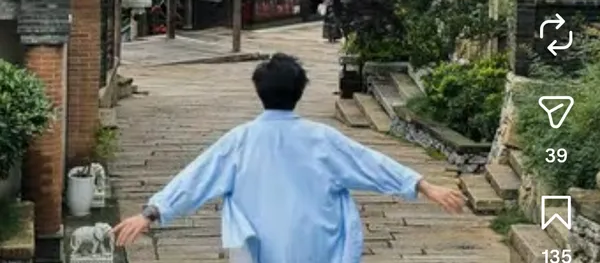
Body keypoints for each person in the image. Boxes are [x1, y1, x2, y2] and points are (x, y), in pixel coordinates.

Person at [113, 53, 465, 263]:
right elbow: (371, 164)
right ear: (299, 92)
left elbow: (196, 178)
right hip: (318, 249)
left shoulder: (240, 141)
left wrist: (151, 213)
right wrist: (424, 186)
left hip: (262, 251)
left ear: (258, 91)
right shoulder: (322, 139)